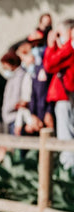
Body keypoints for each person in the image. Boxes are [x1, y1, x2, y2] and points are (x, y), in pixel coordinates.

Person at [43, 19, 74, 172]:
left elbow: (50, 64)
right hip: (65, 99)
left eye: (59, 33)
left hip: (67, 99)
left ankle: (68, 173)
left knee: (66, 139)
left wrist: (51, 46)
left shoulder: (70, 48)